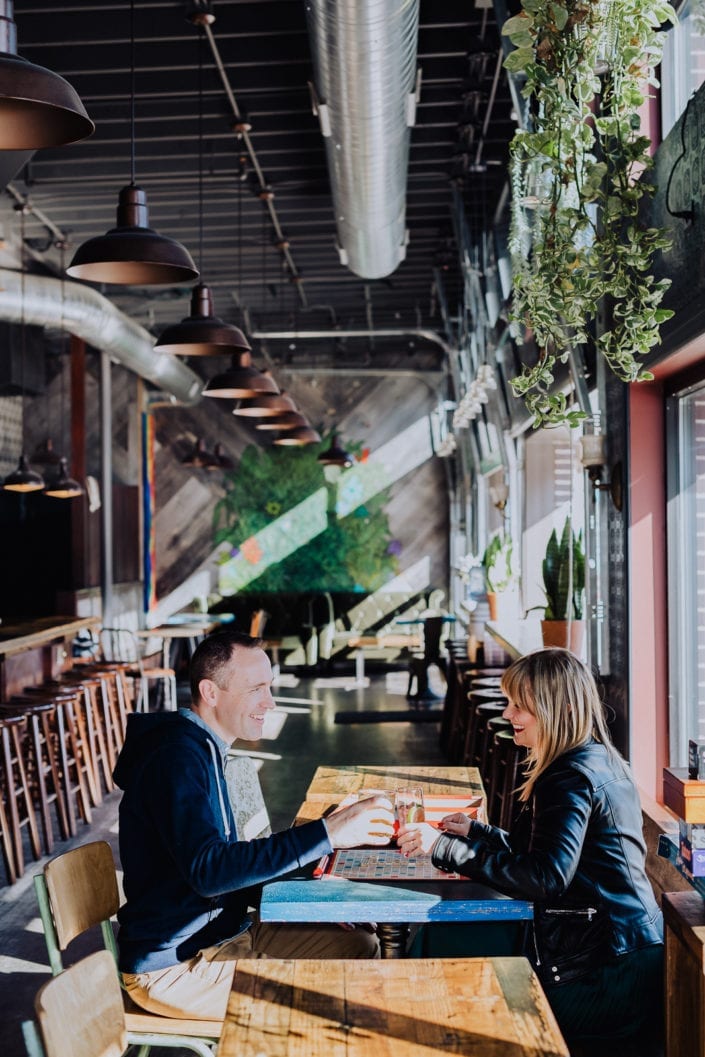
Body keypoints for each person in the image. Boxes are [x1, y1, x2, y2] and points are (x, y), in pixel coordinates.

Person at [113, 629, 394, 1022]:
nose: (270, 702)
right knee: (335, 999)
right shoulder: (175, 759)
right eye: (256, 689)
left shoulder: (203, 747)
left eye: (270, 687)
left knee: (358, 945)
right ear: (211, 693)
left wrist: (310, 892)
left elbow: (227, 864)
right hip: (175, 965)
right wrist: (328, 833)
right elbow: (210, 871)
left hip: (223, 931)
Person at [397, 647, 663, 1057]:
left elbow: (545, 878)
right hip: (626, 949)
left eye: (519, 706)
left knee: (444, 961)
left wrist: (442, 848)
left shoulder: (568, 777)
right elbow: (549, 857)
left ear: (557, 710)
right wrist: (477, 832)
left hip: (604, 973)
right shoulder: (600, 759)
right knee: (440, 939)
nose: (508, 715)